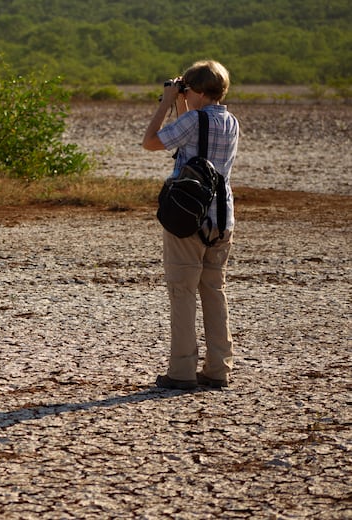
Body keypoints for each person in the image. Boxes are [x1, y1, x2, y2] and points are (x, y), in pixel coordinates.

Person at [142, 60, 239, 390]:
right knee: (214, 291)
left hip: (187, 216)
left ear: (196, 91)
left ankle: (181, 372)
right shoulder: (231, 121)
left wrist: (167, 101)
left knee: (182, 292)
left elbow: (151, 141)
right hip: (222, 218)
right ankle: (218, 369)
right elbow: (194, 130)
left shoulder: (192, 119)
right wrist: (182, 102)